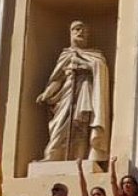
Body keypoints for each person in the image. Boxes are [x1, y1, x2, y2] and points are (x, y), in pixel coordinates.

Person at [36, 20, 112, 163]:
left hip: (84, 91)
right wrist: (46, 93)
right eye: (76, 29)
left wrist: (85, 65)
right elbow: (57, 79)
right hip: (67, 94)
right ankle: (52, 155)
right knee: (60, 125)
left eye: (84, 30)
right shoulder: (65, 55)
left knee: (81, 127)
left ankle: (80, 158)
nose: (80, 32)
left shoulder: (95, 55)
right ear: (70, 33)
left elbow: (100, 69)